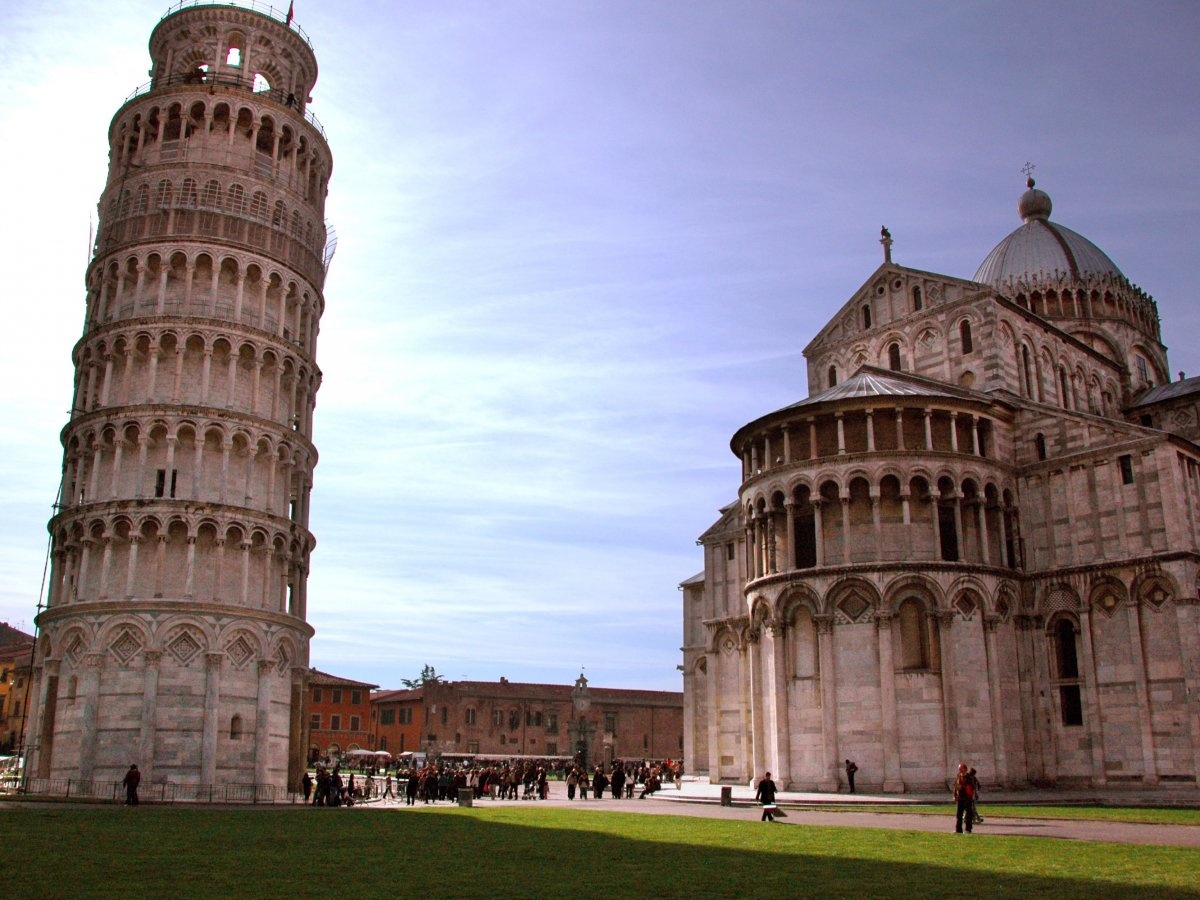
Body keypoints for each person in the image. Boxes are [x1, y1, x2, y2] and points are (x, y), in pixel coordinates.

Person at [952, 763, 974, 834]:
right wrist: (955, 795)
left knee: (968, 814)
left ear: (964, 769)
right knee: (959, 814)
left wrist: (962, 787)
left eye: (960, 768)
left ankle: (968, 829)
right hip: (960, 797)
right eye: (959, 768)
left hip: (967, 798)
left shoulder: (969, 777)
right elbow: (956, 786)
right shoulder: (958, 776)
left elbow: (971, 786)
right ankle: (958, 829)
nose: (959, 770)